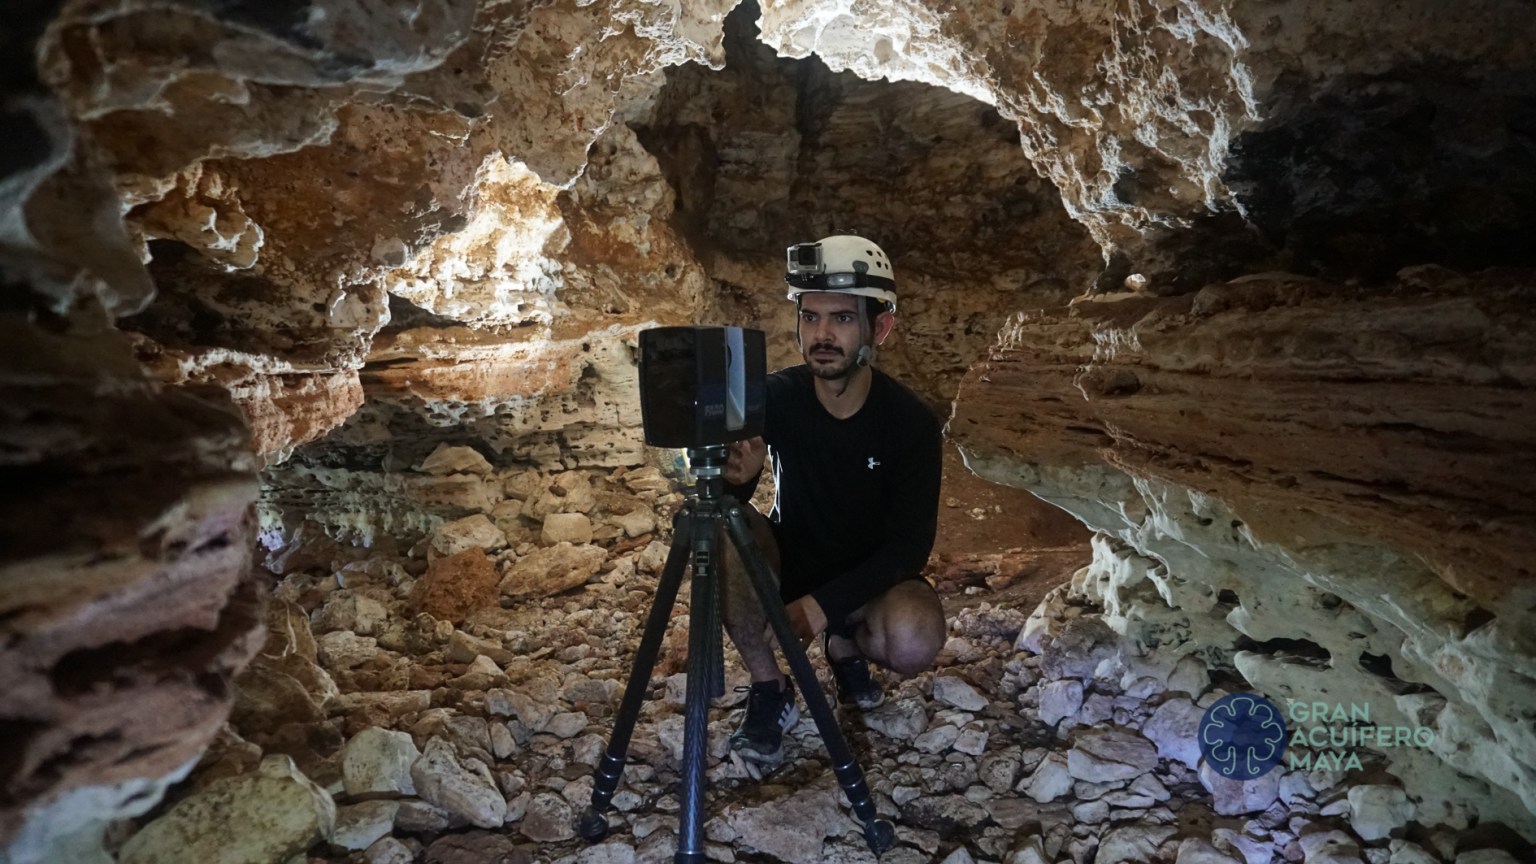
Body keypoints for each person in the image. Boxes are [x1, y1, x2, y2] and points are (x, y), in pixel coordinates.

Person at [719, 234, 947, 769]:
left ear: (879, 328)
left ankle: (844, 644)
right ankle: (770, 688)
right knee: (723, 526)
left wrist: (823, 609)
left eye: (842, 318)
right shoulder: (777, 397)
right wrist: (739, 482)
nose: (822, 334)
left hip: (870, 581)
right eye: (811, 317)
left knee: (914, 636)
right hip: (793, 562)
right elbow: (726, 492)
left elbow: (910, 546)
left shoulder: (910, 423)